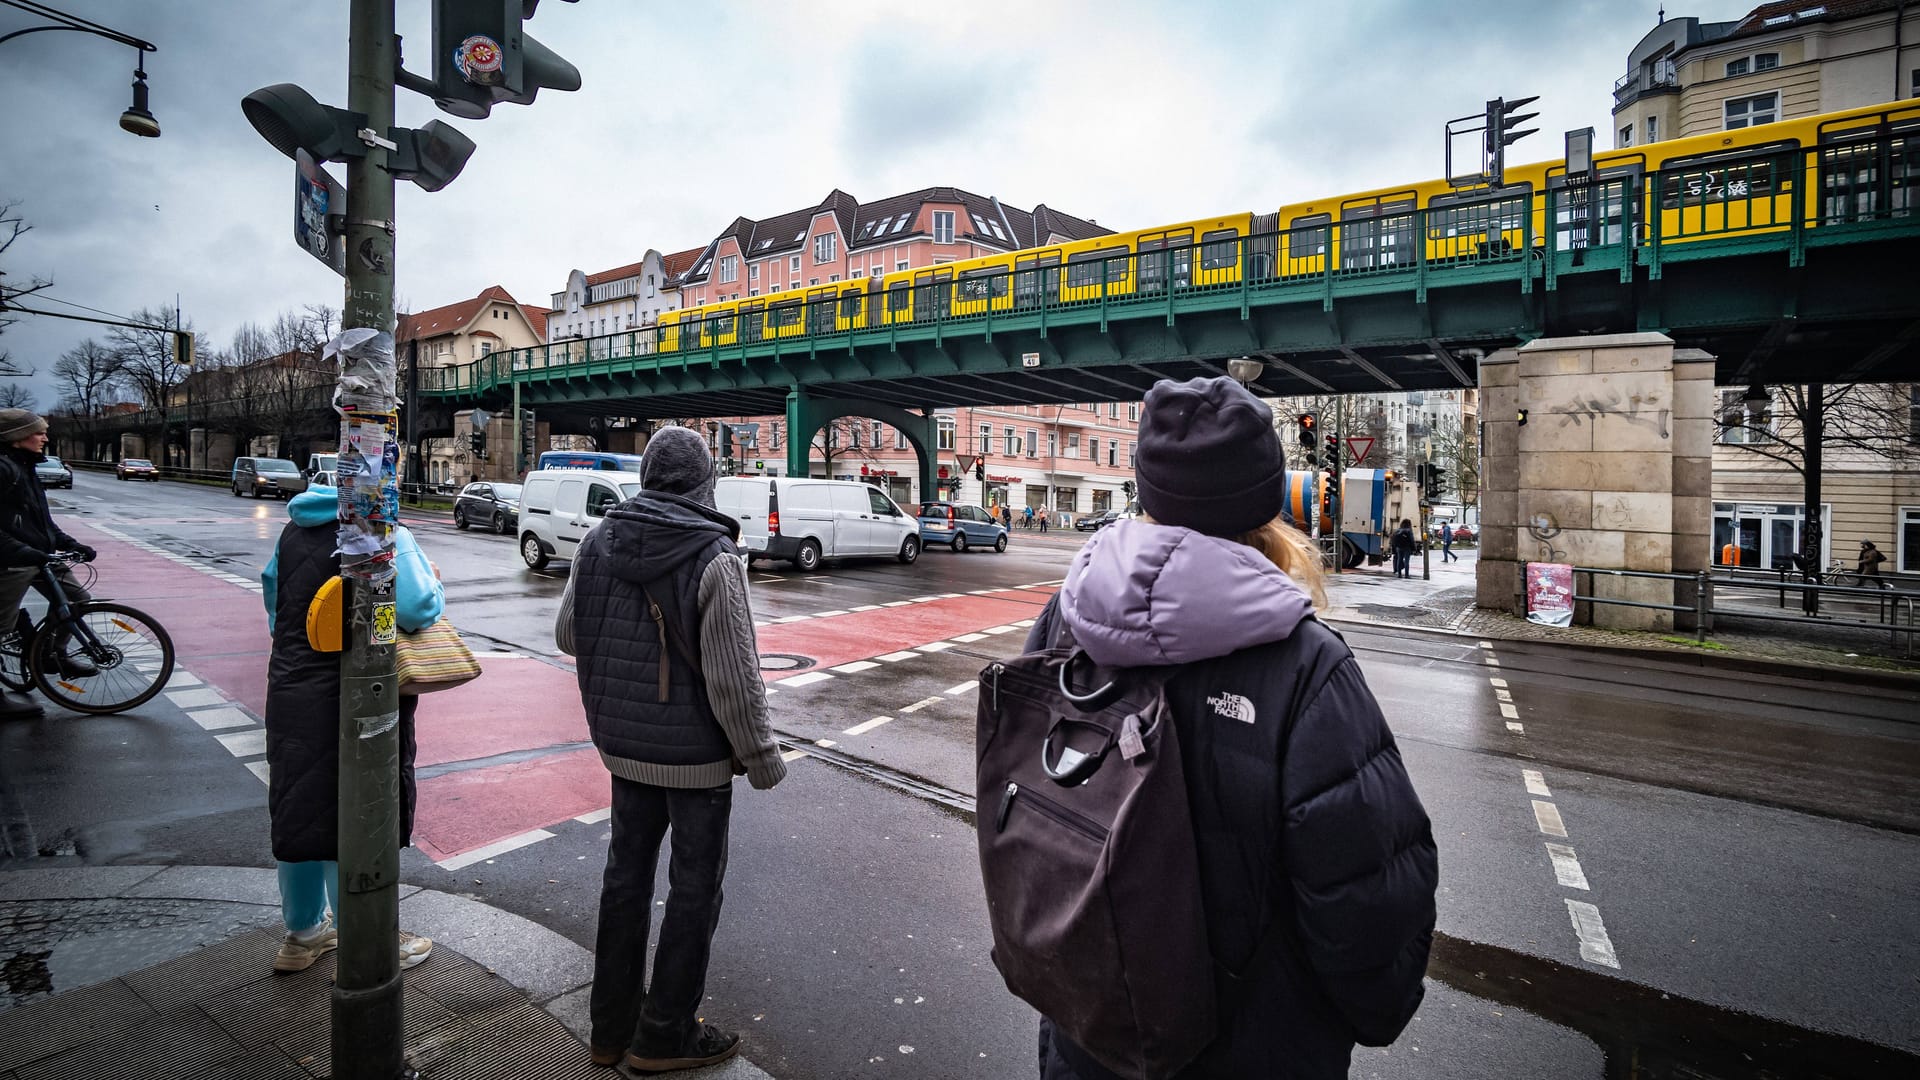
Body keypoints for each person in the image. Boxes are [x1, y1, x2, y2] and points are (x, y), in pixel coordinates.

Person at [1022, 376, 1437, 1080]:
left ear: (1147, 492)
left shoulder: (1065, 624)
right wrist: (1370, 1009)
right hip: (1255, 1049)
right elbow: (1366, 897)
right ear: (1265, 503)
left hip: (1092, 1033)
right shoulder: (1306, 667)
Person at [555, 426, 785, 1074]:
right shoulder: (715, 556)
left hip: (625, 750)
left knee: (624, 879)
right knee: (693, 890)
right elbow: (734, 679)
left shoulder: (598, 542)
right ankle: (664, 1034)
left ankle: (608, 1029)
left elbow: (570, 634)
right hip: (697, 762)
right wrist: (762, 758)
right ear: (704, 482)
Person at [260, 483, 443, 973]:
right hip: (354, 687)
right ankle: (368, 933)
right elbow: (417, 605)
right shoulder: (381, 530)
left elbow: (276, 603)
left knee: (300, 806)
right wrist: (438, 587)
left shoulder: (291, 533)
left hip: (293, 683)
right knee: (357, 808)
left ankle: (302, 935)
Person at [0, 409, 98, 719]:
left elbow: (41, 520)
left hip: (39, 554)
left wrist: (69, 543)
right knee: (0, 626)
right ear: (16, 438)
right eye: (38, 432)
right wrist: (23, 551)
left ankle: (52, 655)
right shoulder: (4, 469)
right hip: (11, 559)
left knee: (77, 600)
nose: (45, 437)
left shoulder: (26, 466)